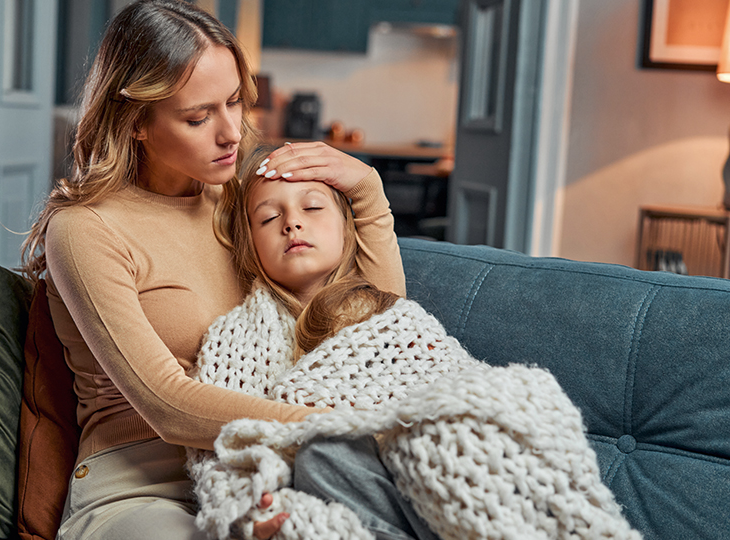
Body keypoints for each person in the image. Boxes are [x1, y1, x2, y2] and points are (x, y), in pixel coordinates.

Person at [19, 1, 405, 539]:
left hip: (267, 470)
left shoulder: (242, 203)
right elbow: (166, 405)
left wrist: (369, 193)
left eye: (234, 103)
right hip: (141, 488)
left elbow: (378, 332)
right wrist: (340, 428)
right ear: (135, 123)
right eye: (199, 117)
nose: (231, 134)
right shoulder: (85, 230)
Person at [186, 149, 642, 540]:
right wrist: (247, 513)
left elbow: (452, 381)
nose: (292, 223)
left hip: (426, 470)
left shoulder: (384, 308)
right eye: (269, 217)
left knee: (444, 438)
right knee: (321, 456)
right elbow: (221, 452)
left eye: (313, 208)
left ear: (346, 229)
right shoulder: (234, 340)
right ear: (250, 246)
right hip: (355, 487)